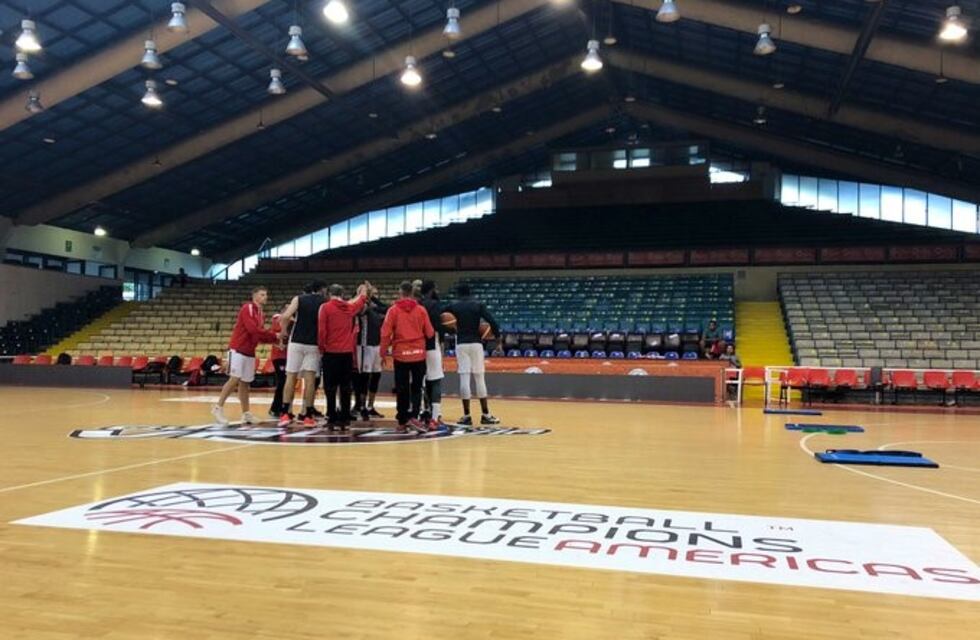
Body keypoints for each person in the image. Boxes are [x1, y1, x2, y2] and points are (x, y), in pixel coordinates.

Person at [211, 286, 278, 425]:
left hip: (250, 351)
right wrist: (274, 336)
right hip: (238, 349)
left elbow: (258, 334)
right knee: (234, 378)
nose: (265, 297)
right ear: (254, 296)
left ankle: (246, 413)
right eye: (262, 294)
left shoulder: (261, 313)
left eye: (266, 294)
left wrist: (275, 341)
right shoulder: (248, 307)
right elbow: (253, 330)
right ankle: (218, 408)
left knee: (245, 383)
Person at [380, 281, 435, 432]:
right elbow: (430, 332)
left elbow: (385, 333)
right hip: (418, 354)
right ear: (412, 293)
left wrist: (383, 353)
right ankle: (415, 416)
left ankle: (402, 421)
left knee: (402, 388)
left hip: (401, 354)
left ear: (400, 292)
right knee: (417, 387)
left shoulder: (393, 310)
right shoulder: (421, 310)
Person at [447, 283, 501, 425]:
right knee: (479, 378)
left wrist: (449, 329)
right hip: (476, 343)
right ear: (470, 293)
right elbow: (492, 321)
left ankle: (466, 416)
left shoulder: (454, 306)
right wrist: (497, 339)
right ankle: (486, 415)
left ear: (458, 294)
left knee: (464, 378)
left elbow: (441, 317)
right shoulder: (478, 305)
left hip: (461, 344)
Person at [318, 282, 369, 429]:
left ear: (329, 294)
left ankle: (332, 416)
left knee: (330, 387)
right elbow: (360, 301)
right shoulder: (349, 308)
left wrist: (322, 348)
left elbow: (322, 331)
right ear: (342, 294)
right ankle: (345, 418)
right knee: (345, 386)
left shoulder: (325, 308)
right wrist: (363, 291)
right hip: (346, 353)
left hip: (330, 352)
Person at [277, 281, 327, 428]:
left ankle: (285, 413)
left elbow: (285, 316)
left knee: (291, 377)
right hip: (313, 343)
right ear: (322, 290)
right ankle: (308, 415)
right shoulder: (324, 302)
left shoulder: (298, 299)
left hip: (296, 341)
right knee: (310, 380)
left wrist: (283, 332)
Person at [353, 286, 388, 421]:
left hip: (376, 346)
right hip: (364, 346)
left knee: (376, 376)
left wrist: (373, 298)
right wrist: (364, 296)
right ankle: (360, 406)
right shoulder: (360, 306)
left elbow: (386, 309)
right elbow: (361, 309)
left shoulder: (373, 307)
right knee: (364, 377)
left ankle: (370, 406)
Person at [419, 280, 447, 427]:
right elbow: (438, 327)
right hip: (432, 344)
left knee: (420, 382)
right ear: (431, 290)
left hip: (418, 346)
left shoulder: (417, 304)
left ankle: (423, 411)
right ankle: (435, 417)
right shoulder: (436, 305)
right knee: (435, 381)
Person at [268, 305, 290, 417]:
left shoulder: (290, 322)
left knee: (285, 382)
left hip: (287, 356)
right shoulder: (277, 319)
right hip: (279, 356)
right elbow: (272, 337)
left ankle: (282, 408)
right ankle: (275, 408)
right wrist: (279, 345)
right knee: (282, 381)